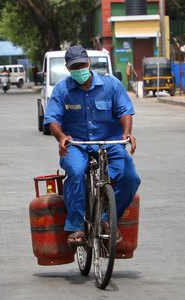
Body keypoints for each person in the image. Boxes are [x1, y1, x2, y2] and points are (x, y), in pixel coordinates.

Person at [44, 45, 141, 246]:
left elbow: (125, 110)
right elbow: (52, 118)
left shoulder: (111, 85)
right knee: (77, 173)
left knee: (130, 178)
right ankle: (76, 226)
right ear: (68, 68)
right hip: (76, 144)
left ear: (89, 63)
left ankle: (107, 220)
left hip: (109, 142)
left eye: (82, 64)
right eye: (74, 67)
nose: (79, 69)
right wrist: (61, 136)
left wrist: (126, 133)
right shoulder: (62, 90)